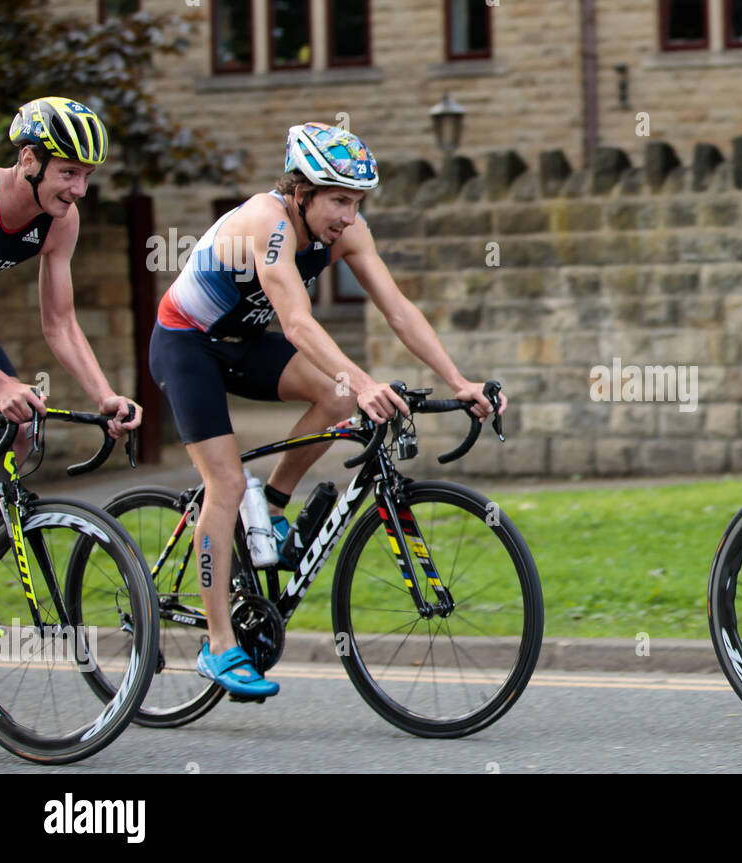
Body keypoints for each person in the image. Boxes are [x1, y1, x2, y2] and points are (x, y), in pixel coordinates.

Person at [149, 122, 505, 698]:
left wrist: (458, 379)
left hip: (243, 344)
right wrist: (365, 381)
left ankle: (275, 504)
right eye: (338, 199)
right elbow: (296, 323)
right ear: (300, 191)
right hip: (187, 343)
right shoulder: (267, 224)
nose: (348, 214)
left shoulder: (348, 230)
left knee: (337, 398)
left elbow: (397, 309)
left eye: (357, 201)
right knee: (226, 481)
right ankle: (219, 646)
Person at [0, 97, 142, 455]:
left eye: (86, 176)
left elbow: (60, 324)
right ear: (29, 160)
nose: (79, 190)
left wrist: (105, 396)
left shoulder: (62, 221)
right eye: (68, 173)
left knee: (20, 426)